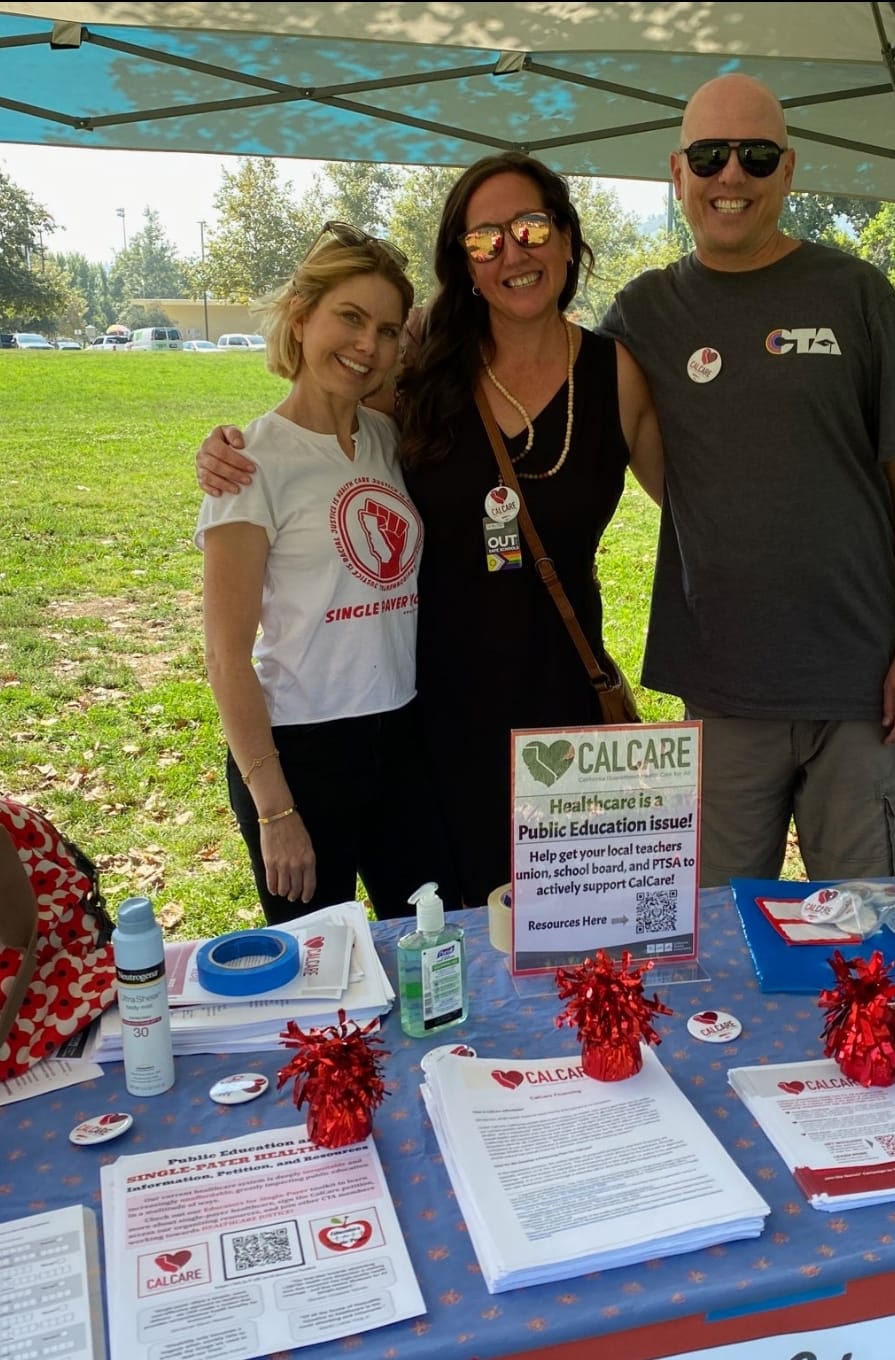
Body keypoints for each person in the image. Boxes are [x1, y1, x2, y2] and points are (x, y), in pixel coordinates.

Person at [196, 153, 663, 908]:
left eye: (532, 226)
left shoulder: (616, 374)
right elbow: (314, 418)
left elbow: (698, 502)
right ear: (465, 263)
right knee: (450, 934)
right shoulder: (423, 370)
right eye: (484, 239)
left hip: (559, 699)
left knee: (579, 924)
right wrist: (224, 452)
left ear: (569, 237)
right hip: (433, 715)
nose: (511, 250)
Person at [599, 73, 895, 885]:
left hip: (860, 686)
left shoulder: (856, 294)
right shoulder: (644, 311)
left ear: (787, 171)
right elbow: (535, 391)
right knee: (715, 942)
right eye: (709, 157)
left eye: (755, 158)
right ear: (675, 172)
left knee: (871, 932)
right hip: (722, 684)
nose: (731, 178)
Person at [195, 224, 459, 923]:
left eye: (387, 329)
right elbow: (225, 658)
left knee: (428, 946)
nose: (367, 344)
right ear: (300, 315)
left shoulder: (387, 437)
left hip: (400, 736)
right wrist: (274, 807)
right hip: (302, 753)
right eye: (349, 317)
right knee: (319, 977)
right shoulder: (250, 463)